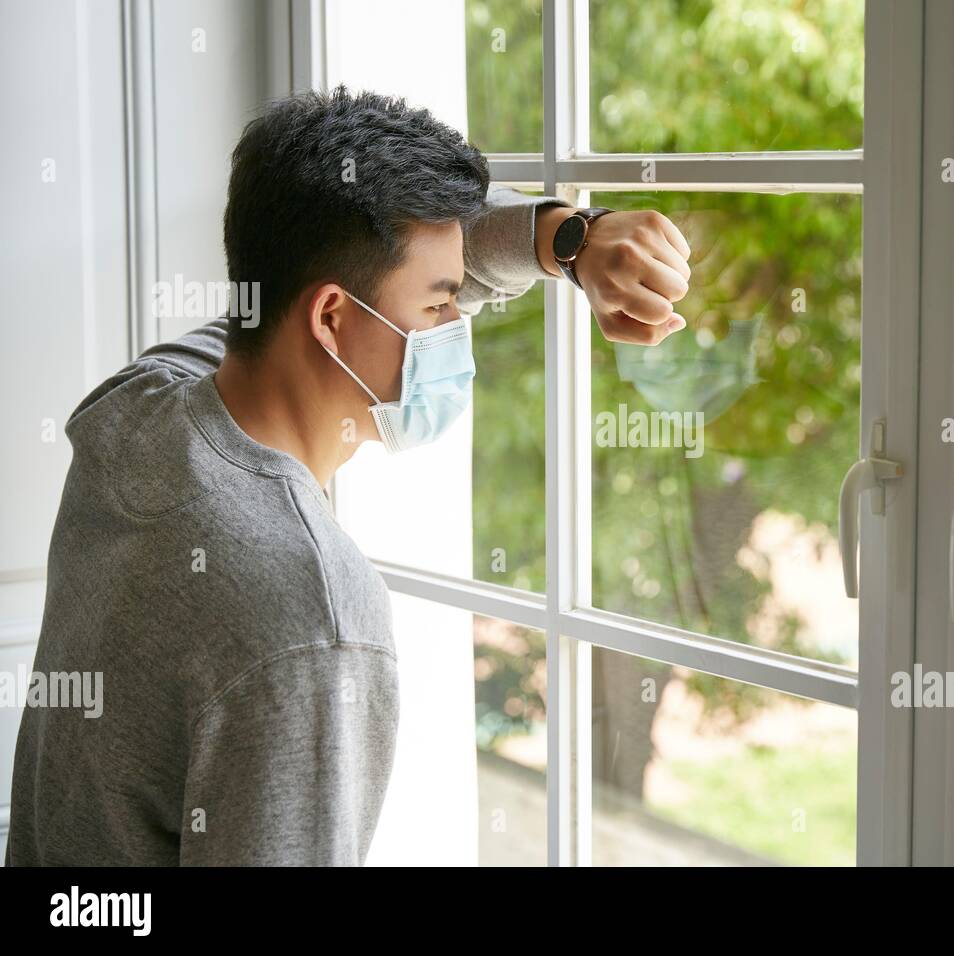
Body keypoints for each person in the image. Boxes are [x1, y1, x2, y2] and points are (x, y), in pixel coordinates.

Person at [5, 86, 691, 865]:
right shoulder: (314, 617)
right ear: (330, 318)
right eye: (439, 307)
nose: (457, 325)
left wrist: (570, 241)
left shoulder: (137, 410)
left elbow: (350, 258)